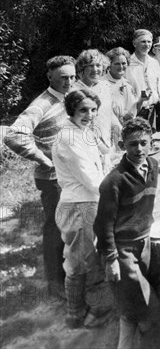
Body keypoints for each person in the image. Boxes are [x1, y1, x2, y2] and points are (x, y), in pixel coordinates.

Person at [4, 55, 76, 298]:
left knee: (70, 225)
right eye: (64, 77)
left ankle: (72, 274)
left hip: (69, 175)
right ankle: (56, 284)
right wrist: (43, 160)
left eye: (72, 77)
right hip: (52, 178)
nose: (69, 81)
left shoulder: (68, 98)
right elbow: (13, 136)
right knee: (55, 228)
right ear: (50, 77)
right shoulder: (41, 104)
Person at [94, 118, 160, 348]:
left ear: (152, 142)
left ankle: (131, 334)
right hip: (123, 249)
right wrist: (111, 260)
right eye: (133, 144)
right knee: (150, 307)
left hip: (146, 242)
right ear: (123, 146)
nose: (139, 149)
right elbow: (103, 225)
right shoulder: (113, 182)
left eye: (144, 142)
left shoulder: (153, 165)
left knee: (132, 304)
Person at [52, 86, 112, 329]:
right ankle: (77, 314)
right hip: (78, 204)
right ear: (71, 110)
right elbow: (91, 179)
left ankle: (89, 309)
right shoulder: (69, 137)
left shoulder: (81, 130)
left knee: (86, 257)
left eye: (93, 110)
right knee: (79, 262)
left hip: (86, 201)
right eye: (83, 110)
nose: (89, 114)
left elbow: (105, 152)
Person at [124, 28, 160, 129]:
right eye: (143, 41)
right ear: (134, 43)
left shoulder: (154, 64)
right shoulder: (127, 64)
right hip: (133, 114)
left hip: (152, 113)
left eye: (149, 41)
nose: (146, 45)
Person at [75, 49, 121, 161]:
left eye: (98, 65)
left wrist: (121, 131)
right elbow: (80, 125)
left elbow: (108, 113)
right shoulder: (76, 91)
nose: (95, 70)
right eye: (90, 66)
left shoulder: (105, 86)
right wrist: (103, 149)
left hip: (107, 141)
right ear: (82, 68)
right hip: (87, 145)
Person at [104, 47, 139, 125]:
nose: (121, 67)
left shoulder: (128, 84)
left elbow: (132, 108)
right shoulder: (102, 84)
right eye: (117, 64)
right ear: (109, 65)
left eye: (123, 63)